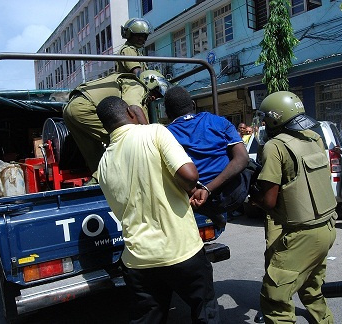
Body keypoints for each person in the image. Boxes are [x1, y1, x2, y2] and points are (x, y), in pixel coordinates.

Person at [96, 96, 220, 323]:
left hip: (138, 261)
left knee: (149, 318)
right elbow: (190, 176)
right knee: (205, 312)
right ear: (130, 112)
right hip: (181, 252)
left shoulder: (103, 164)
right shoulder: (154, 132)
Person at [250, 91, 337, 324]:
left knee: (274, 296)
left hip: (301, 233)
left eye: (266, 118)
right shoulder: (313, 138)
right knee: (312, 286)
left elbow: (269, 201)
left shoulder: (274, 146)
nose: (264, 123)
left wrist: (252, 197)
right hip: (327, 226)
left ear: (276, 118)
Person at [164, 86, 250, 227]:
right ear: (193, 105)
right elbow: (242, 159)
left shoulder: (165, 134)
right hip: (235, 193)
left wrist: (202, 190)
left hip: (198, 201)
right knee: (250, 165)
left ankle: (212, 215)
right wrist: (208, 189)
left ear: (167, 114)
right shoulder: (219, 121)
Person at [63, 70, 170, 180]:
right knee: (120, 137)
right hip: (84, 108)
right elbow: (133, 107)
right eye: (156, 93)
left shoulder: (122, 81)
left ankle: (99, 179)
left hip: (70, 108)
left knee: (94, 151)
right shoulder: (136, 85)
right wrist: (150, 138)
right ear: (149, 82)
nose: (155, 97)